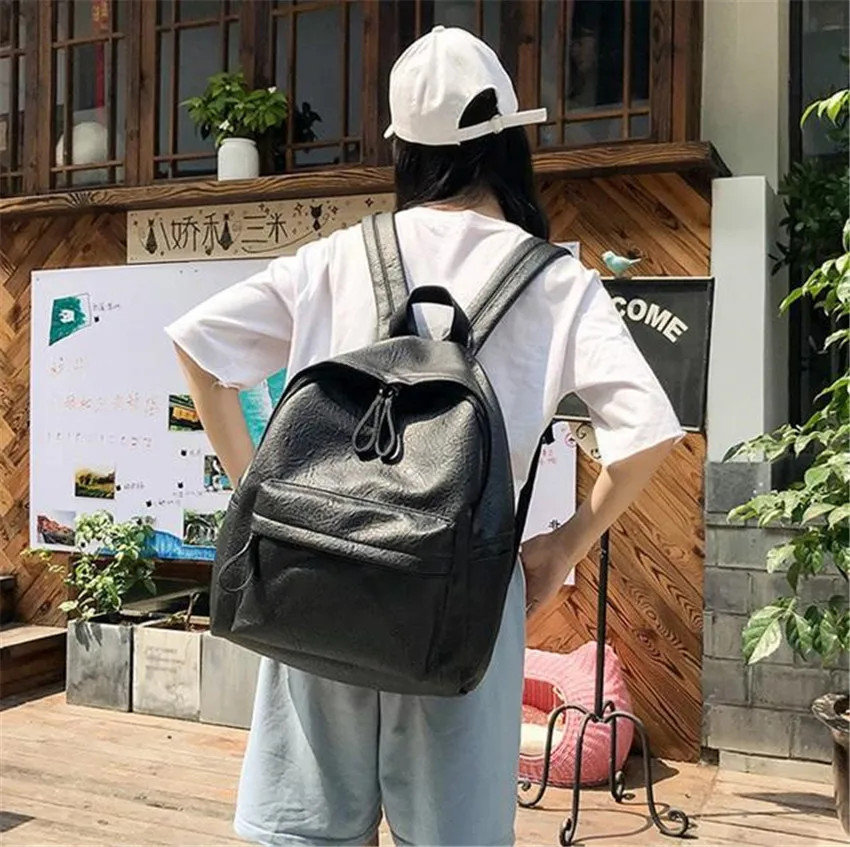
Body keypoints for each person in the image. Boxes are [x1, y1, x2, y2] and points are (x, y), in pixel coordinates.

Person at [166, 25, 683, 847]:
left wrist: (254, 497)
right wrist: (564, 545)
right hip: (461, 604)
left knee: (305, 833)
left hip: (318, 577)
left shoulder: (338, 256)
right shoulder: (555, 282)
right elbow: (648, 431)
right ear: (509, 144)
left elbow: (198, 346)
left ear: (403, 150)